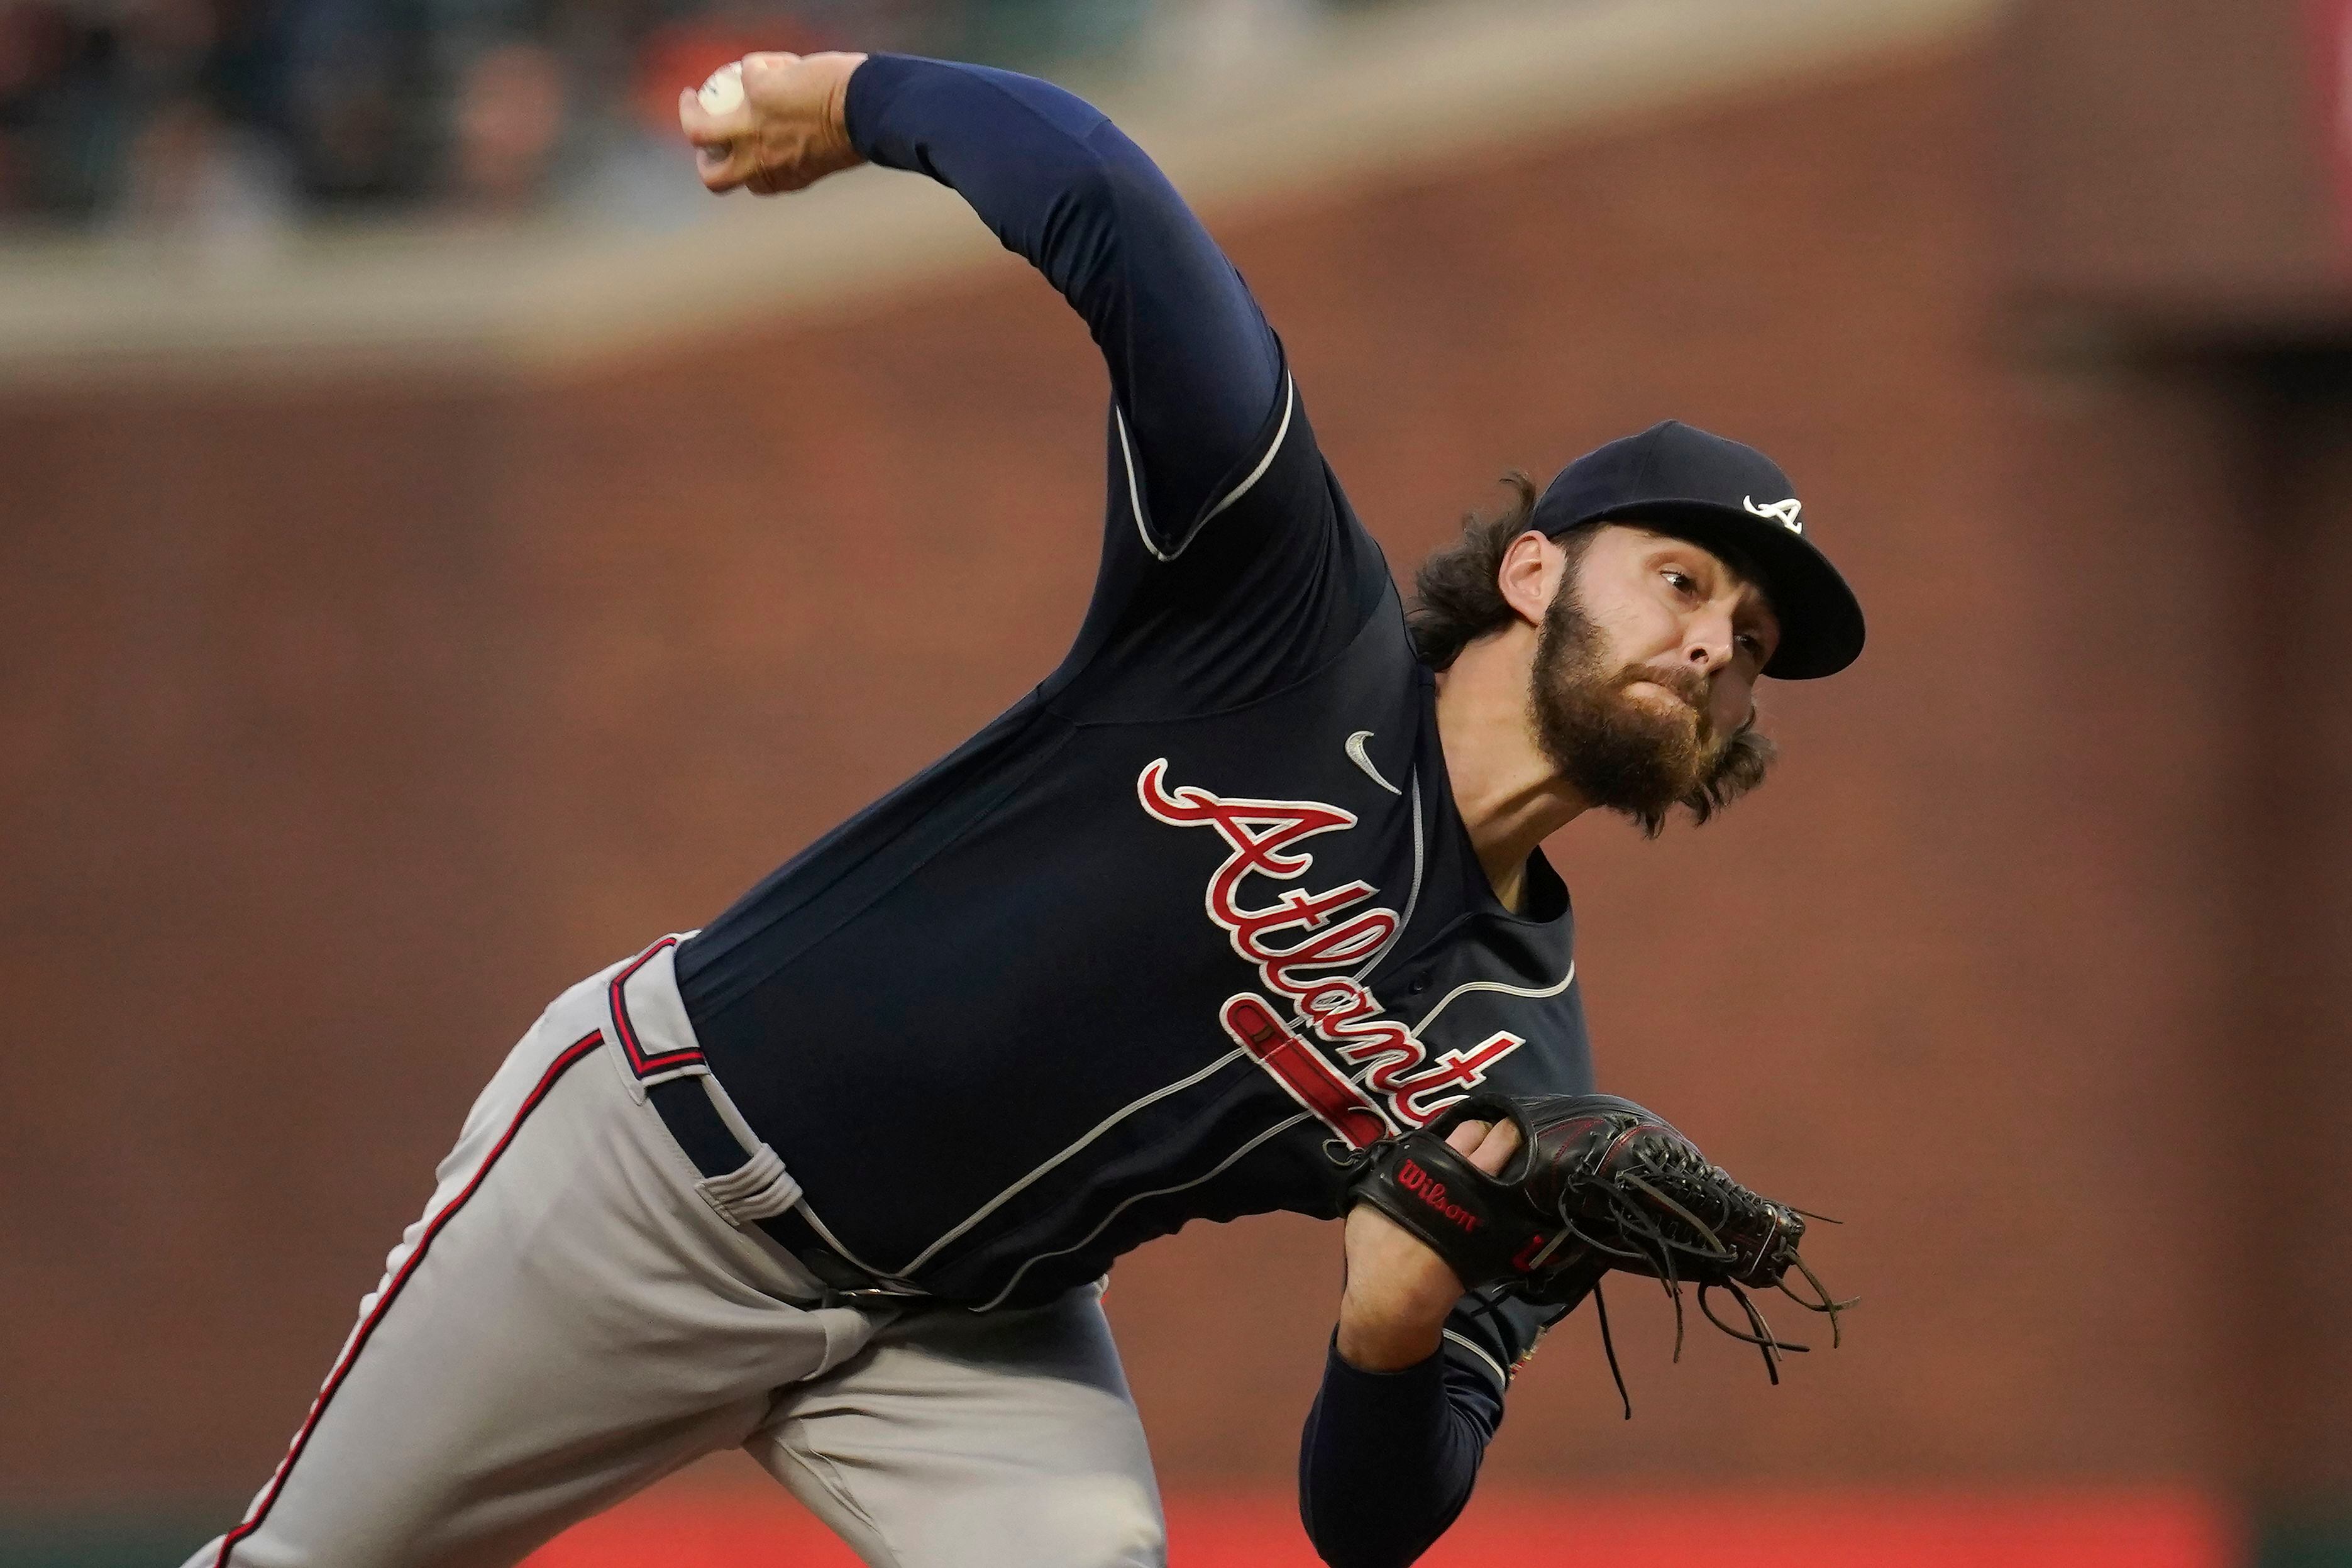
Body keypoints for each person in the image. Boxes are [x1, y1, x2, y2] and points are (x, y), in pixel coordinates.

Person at [187, 48, 1864, 1568]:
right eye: (1684, 576)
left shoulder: (1520, 1067)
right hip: (662, 1171)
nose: (1718, 641)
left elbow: (1372, 1526)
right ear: (1530, 570)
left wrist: (1394, 1328)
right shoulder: (1280, 613)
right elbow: (1108, 199)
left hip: (964, 1331)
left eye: (1755, 643)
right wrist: (846, 104)